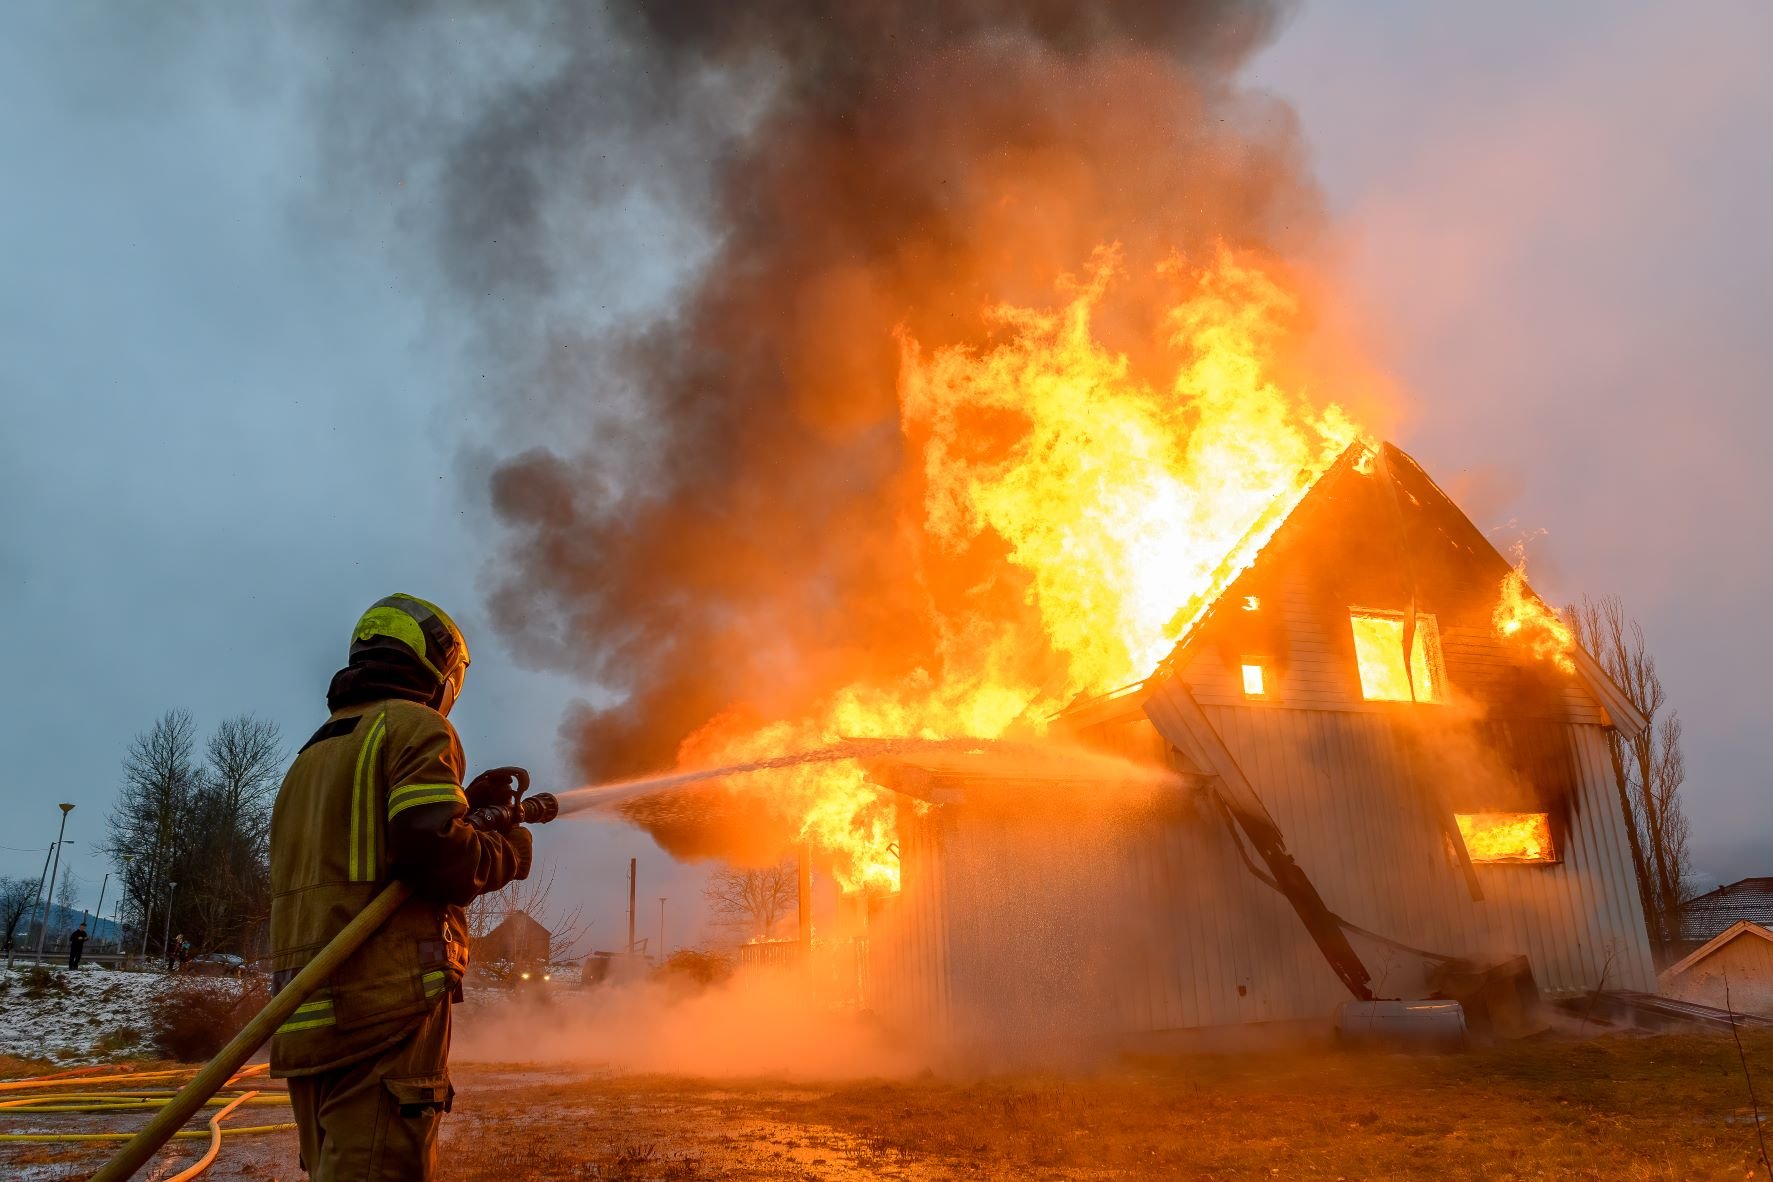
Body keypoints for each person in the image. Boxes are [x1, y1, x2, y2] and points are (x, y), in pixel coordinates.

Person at [269, 593, 533, 1181]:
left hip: (307, 1011)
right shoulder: (418, 726)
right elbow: (433, 854)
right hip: (384, 1006)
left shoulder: (316, 752)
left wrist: (469, 806)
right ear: (442, 671)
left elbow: (386, 842)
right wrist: (507, 853)